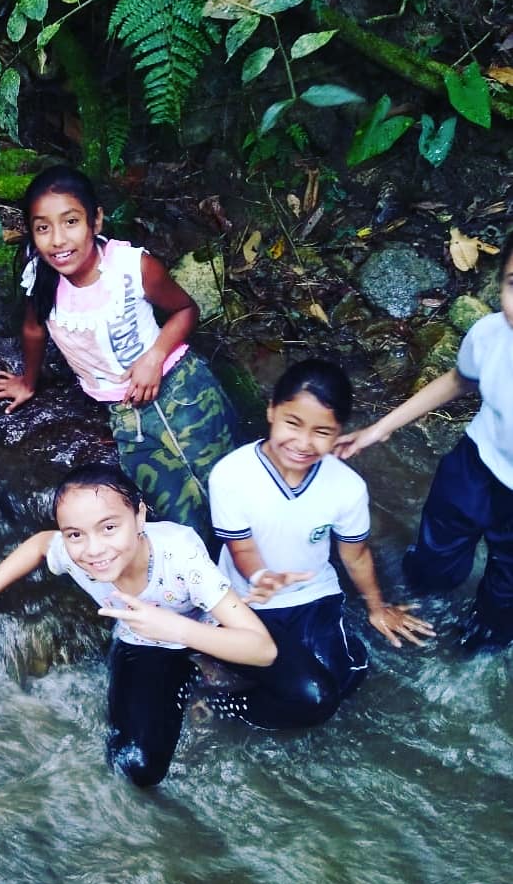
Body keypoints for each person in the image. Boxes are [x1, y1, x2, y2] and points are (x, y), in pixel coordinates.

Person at [0, 463, 277, 787]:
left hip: (203, 630)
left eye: (109, 527)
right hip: (141, 642)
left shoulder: (181, 556)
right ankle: (186, 682)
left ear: (139, 516)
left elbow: (262, 648)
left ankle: (216, 699)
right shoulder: (74, 552)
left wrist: (175, 629)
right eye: (75, 534)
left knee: (301, 696)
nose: (93, 550)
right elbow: (41, 544)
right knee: (135, 766)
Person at [0, 165, 236, 535]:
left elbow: (185, 310)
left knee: (229, 486)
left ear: (95, 220)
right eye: (43, 228)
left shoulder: (132, 267)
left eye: (70, 222)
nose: (58, 239)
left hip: (181, 387)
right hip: (125, 413)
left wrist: (154, 357)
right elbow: (34, 329)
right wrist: (28, 382)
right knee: (181, 519)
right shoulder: (39, 275)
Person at [207, 359, 435, 729]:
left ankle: (257, 683)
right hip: (247, 599)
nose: (302, 443)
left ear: (339, 432)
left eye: (322, 431)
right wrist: (262, 577)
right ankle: (226, 706)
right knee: (313, 695)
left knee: (349, 675)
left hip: (313, 595)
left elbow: (355, 555)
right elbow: (242, 549)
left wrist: (377, 607)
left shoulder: (346, 487)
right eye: (292, 423)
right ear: (271, 411)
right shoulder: (231, 476)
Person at [335, 232, 513, 651]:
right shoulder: (492, 335)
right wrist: (380, 428)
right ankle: (423, 599)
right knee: (433, 558)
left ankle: (481, 643)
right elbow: (458, 380)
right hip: (475, 464)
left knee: (505, 591)